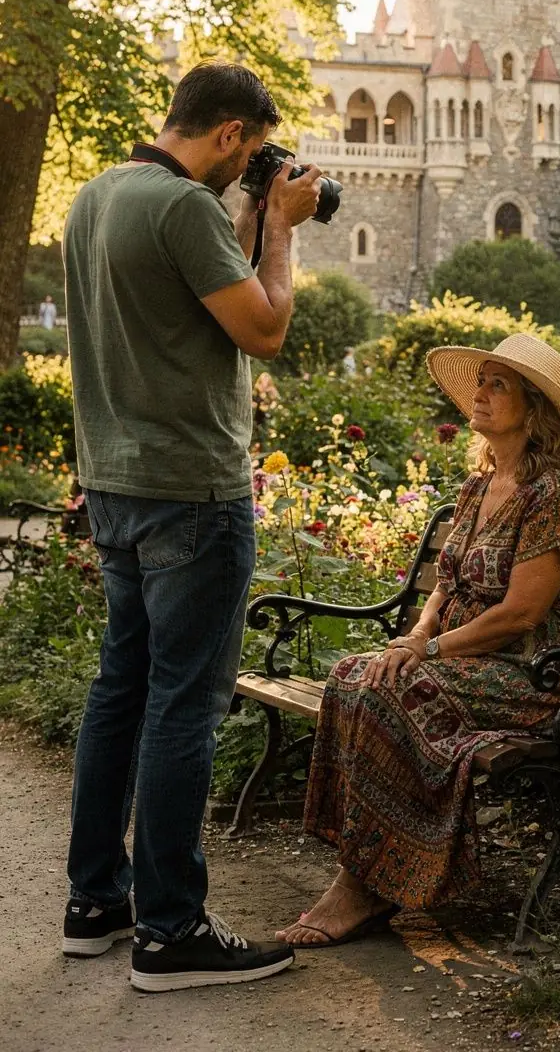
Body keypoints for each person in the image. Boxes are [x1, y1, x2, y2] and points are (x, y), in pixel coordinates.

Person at [62, 61, 322, 992]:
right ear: (229, 134)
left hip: (116, 484)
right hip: (192, 493)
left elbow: (181, 310)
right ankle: (171, 931)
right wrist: (282, 235)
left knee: (120, 690)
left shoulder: (99, 197)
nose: (247, 172)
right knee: (184, 704)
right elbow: (262, 330)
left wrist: (248, 221)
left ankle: (96, 900)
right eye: (248, 155)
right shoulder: (181, 208)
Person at [275, 332, 560, 948]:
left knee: (392, 690)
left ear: (534, 409)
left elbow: (520, 616)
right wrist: (416, 635)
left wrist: (427, 653)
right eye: (481, 380)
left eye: (498, 384)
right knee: (354, 673)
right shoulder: (477, 488)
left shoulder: (552, 496)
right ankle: (373, 865)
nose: (480, 392)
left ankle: (363, 887)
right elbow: (445, 588)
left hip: (540, 676)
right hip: (465, 658)